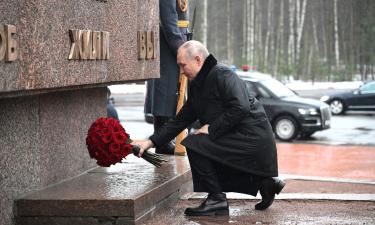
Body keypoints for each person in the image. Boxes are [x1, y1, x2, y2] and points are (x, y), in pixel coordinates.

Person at [133, 40, 285, 216]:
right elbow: (182, 119)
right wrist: (150, 142)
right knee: (202, 144)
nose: (181, 71)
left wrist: (212, 129)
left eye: (183, 65)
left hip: (253, 139)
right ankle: (265, 183)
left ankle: (216, 199)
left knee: (195, 143)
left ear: (198, 60)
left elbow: (240, 107)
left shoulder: (222, 74)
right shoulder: (199, 81)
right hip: (241, 136)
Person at [144, 0, 189, 154]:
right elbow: (168, 19)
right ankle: (162, 142)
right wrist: (180, 47)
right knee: (165, 93)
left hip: (179, 39)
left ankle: (166, 139)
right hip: (168, 44)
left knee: (174, 93)